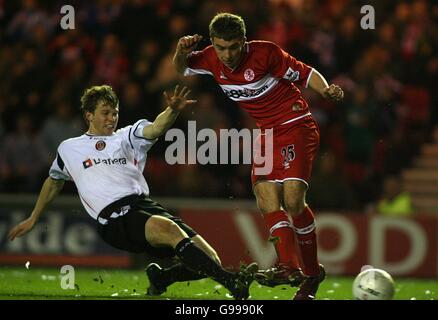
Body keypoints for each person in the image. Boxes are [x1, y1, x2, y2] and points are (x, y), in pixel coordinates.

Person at [7, 84, 257, 300]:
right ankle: (232, 283)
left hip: (144, 207)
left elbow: (156, 128)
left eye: (114, 112)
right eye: (105, 113)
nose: (111, 118)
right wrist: (34, 217)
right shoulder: (69, 149)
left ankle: (161, 278)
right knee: (169, 230)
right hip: (113, 218)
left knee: (210, 258)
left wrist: (172, 110)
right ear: (88, 115)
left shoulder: (126, 136)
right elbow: (54, 182)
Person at [173, 13, 344, 300]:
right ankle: (288, 267)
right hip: (267, 134)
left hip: (295, 125)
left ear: (245, 41)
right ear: (213, 44)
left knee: (292, 201)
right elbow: (181, 69)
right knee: (266, 200)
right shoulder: (209, 58)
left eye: (233, 47)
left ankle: (312, 273)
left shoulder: (266, 53)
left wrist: (325, 89)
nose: (227, 55)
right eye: (220, 47)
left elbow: (306, 73)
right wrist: (180, 51)